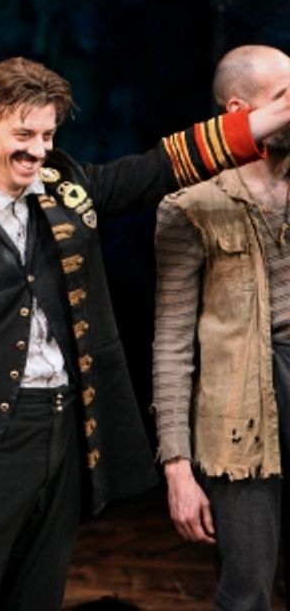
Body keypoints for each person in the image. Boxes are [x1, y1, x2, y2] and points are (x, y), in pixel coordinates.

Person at [0, 55, 290, 610]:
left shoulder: (70, 190)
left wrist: (274, 117)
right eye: (23, 133)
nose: (38, 149)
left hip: (64, 429)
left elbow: (160, 167)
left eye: (48, 134)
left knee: (41, 595)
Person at [152, 45, 290, 610]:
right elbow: (172, 343)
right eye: (284, 98)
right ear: (240, 110)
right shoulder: (191, 207)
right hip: (239, 418)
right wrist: (177, 468)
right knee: (247, 590)